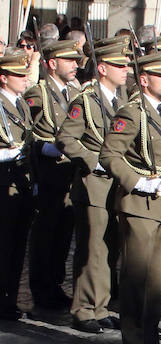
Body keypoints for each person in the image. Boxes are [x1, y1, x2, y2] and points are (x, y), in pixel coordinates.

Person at [100, 50, 161, 344]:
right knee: (136, 277)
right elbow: (110, 155)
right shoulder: (132, 113)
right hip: (138, 204)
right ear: (145, 79)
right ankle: (132, 342)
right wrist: (136, 181)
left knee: (159, 279)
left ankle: (151, 337)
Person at [57, 38, 130, 334]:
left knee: (109, 248)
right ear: (102, 68)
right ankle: (84, 308)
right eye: (119, 66)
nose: (125, 70)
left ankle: (101, 305)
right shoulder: (85, 101)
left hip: (117, 184)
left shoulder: (122, 102)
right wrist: (94, 161)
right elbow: (66, 138)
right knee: (92, 249)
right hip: (94, 184)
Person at [24, 40, 82, 311]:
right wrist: (51, 147)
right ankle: (41, 288)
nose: (75, 65)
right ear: (51, 63)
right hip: (49, 175)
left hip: (70, 174)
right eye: (68, 60)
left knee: (63, 235)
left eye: (75, 60)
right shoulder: (39, 93)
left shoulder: (75, 92)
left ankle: (56, 284)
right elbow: (30, 133)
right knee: (45, 235)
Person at [0, 53, 34, 321]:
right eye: (19, 76)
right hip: (3, 184)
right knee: (4, 244)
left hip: (21, 183)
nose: (25, 80)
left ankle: (10, 298)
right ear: (4, 78)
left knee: (17, 245)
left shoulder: (21, 104)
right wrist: (8, 154)